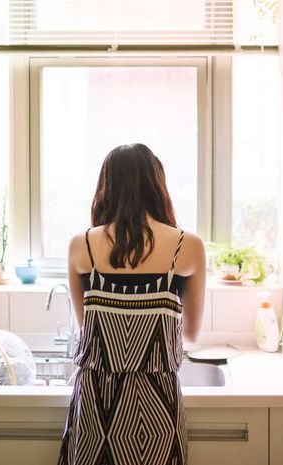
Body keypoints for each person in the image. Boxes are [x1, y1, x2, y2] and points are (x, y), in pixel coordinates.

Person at [58, 143, 206, 465]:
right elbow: (191, 336)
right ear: (157, 185)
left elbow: (86, 327)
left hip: (97, 407)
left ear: (105, 187)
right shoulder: (188, 246)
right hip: (158, 409)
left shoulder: (81, 246)